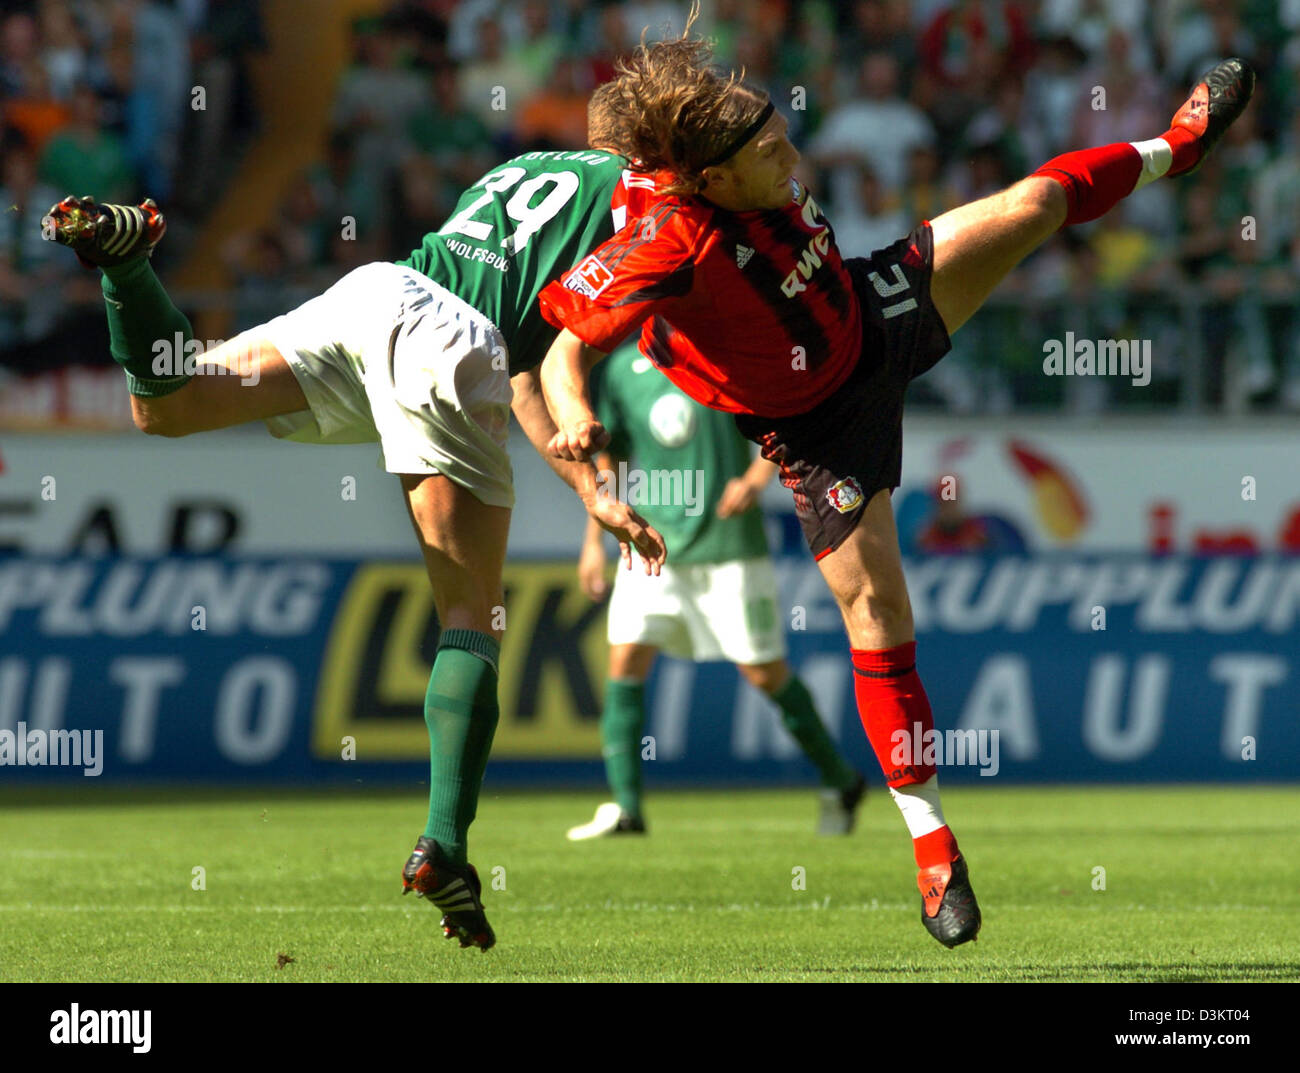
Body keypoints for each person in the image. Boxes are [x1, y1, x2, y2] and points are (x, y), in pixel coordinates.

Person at [536, 17, 1253, 947]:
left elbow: (609, 121)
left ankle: (1176, 146)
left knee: (1031, 206)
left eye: (780, 133)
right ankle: (933, 847)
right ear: (712, 181)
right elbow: (562, 351)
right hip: (815, 427)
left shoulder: (706, 162)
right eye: (771, 149)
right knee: (878, 614)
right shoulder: (666, 244)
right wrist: (577, 430)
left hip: (872, 307)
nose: (792, 154)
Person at [41, 137, 668, 954]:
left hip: (375, 292)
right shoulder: (650, 200)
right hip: (447, 335)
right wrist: (598, 485)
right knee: (472, 613)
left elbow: (515, 356)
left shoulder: (521, 169)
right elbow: (540, 366)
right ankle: (444, 843)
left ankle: (127, 264)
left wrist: (591, 490)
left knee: (173, 400)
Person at [568, 341, 867, 841]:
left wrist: (755, 476)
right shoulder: (623, 368)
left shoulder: (721, 346)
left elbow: (786, 416)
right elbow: (612, 460)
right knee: (624, 662)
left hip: (729, 544)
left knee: (763, 672)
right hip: (651, 540)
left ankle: (842, 779)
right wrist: (594, 542)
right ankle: (627, 809)